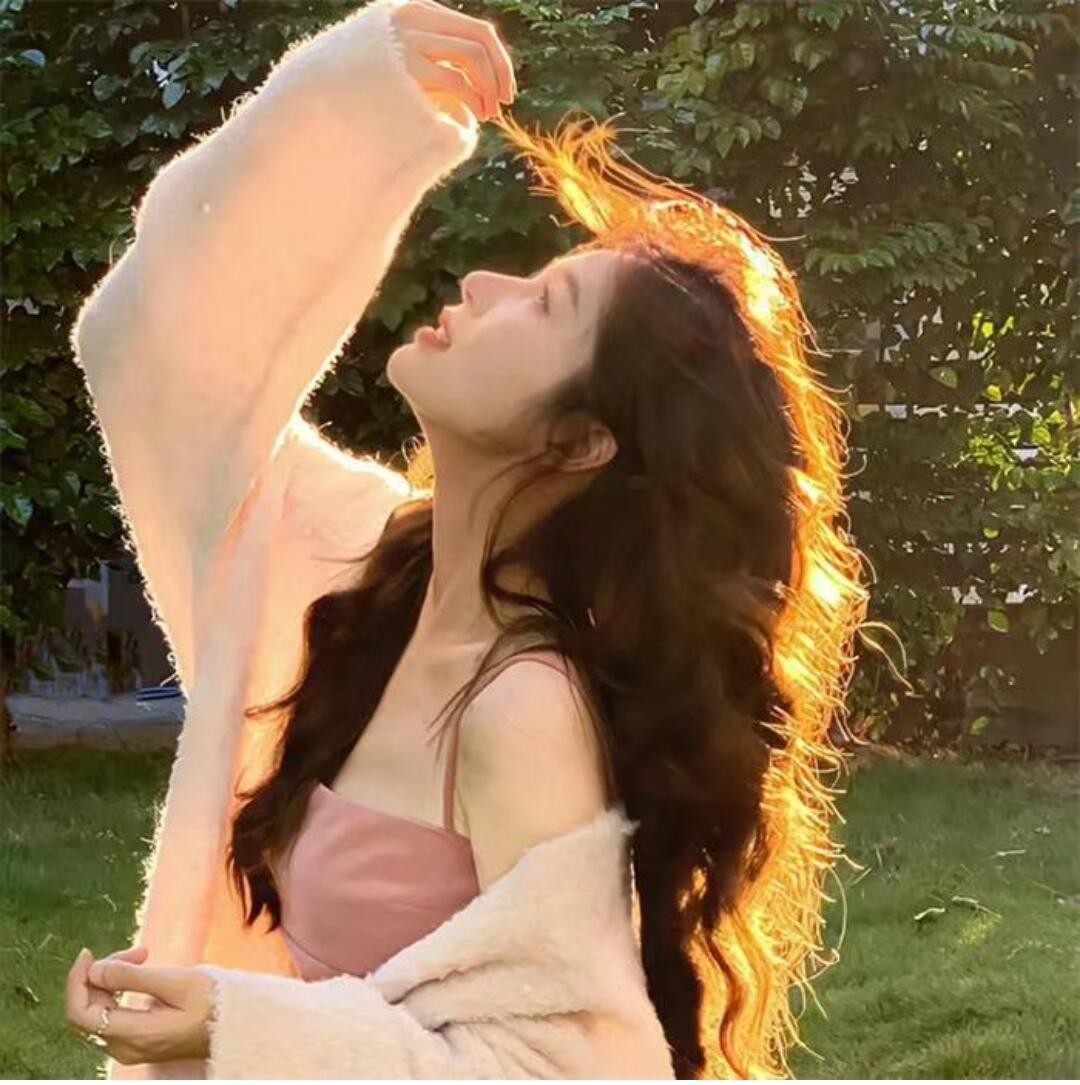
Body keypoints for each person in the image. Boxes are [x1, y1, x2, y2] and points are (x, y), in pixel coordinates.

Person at [64, 0, 871, 1077]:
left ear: (579, 441)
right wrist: (350, 102)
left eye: (543, 306)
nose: (484, 286)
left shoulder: (519, 707)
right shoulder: (364, 570)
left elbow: (569, 1067)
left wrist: (233, 1023)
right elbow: (148, 353)